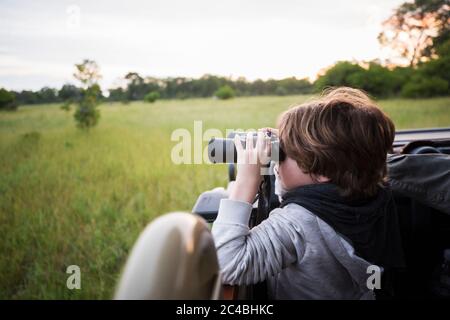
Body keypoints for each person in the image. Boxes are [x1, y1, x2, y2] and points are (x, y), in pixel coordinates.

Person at [211, 87, 405, 299]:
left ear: (321, 171)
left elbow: (224, 266)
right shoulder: (375, 192)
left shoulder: (299, 223)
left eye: (283, 153)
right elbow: (302, 189)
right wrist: (291, 141)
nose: (277, 160)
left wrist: (245, 182)